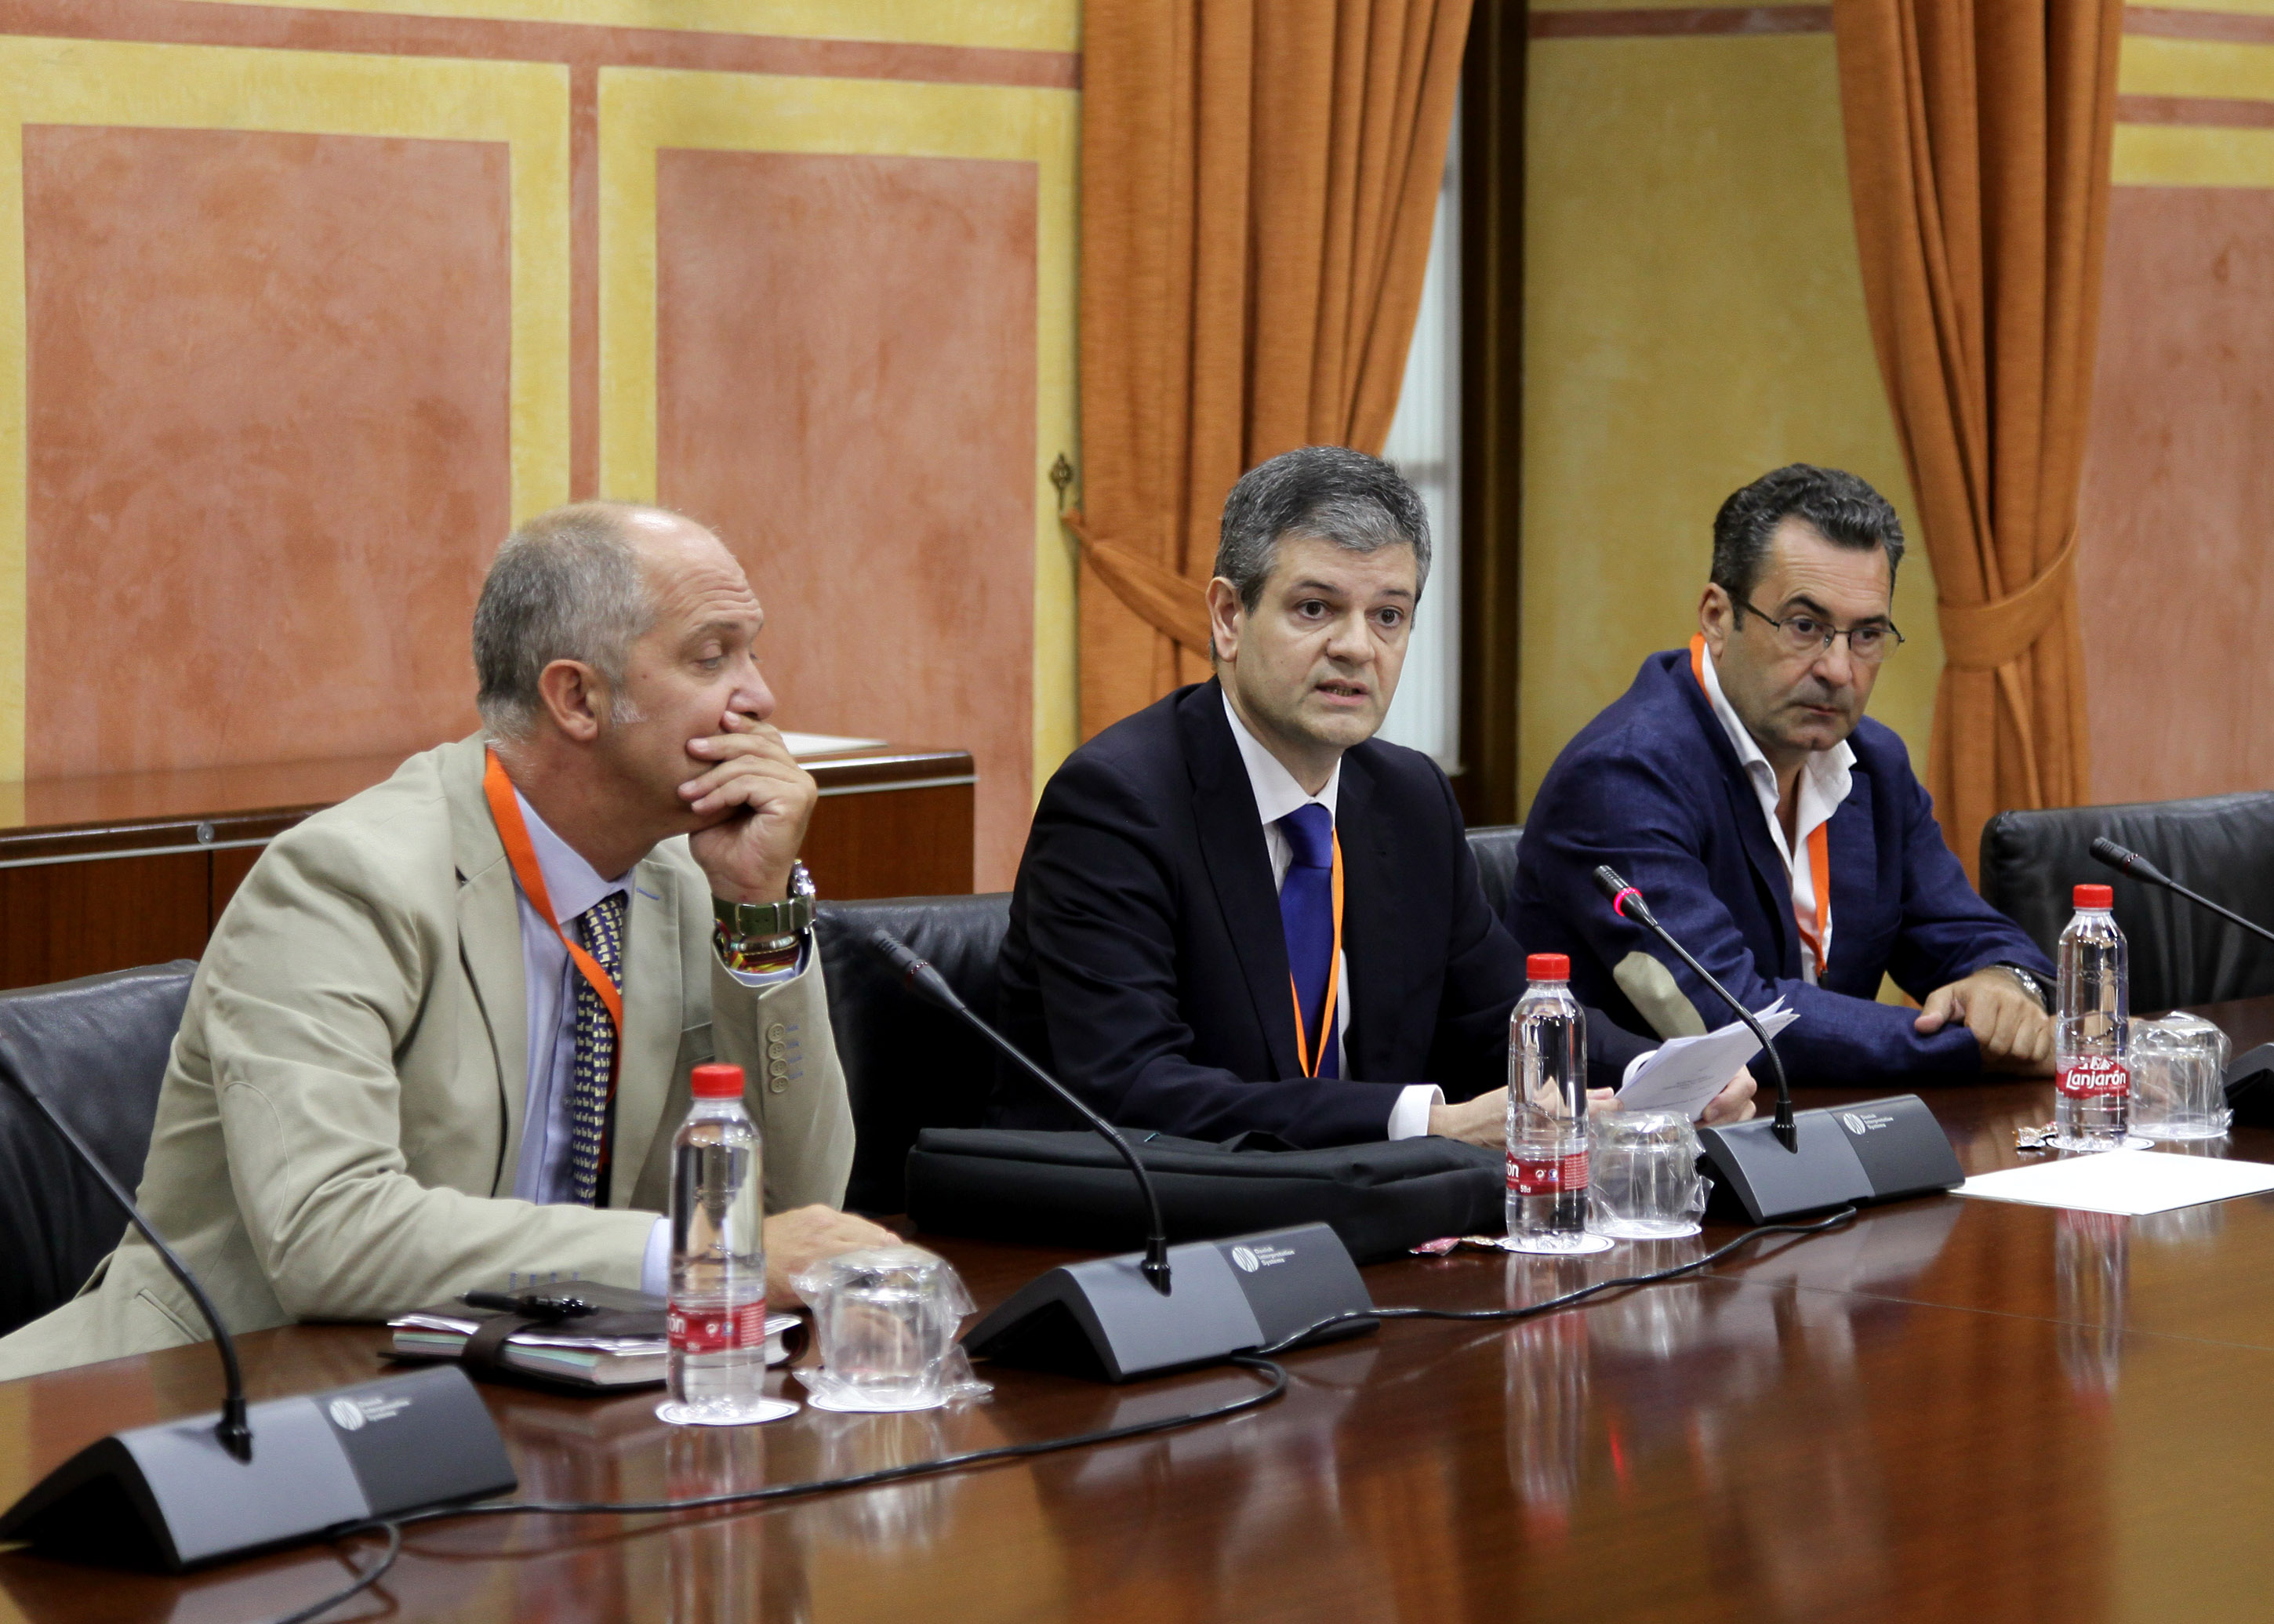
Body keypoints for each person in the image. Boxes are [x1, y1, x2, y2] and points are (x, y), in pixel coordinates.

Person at [0, 503, 892, 1379]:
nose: (761, 698)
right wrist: (697, 1254)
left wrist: (758, 916)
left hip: (515, 1394)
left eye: (752, 650)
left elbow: (802, 1208)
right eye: (711, 656)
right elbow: (329, 1233)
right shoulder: (342, 881)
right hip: (188, 1404)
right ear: (576, 696)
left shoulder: (695, 880)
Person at [992, 446, 1753, 1149]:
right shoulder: (1117, 803)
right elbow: (1136, 1088)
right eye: (1314, 608)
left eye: (1387, 615)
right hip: (1149, 1244)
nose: (1357, 647)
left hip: (1367, 1225)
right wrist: (1424, 1124)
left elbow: (1498, 1020)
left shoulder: (1406, 797)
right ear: (1228, 617)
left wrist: (1667, 1076)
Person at [1511, 464, 2058, 1088]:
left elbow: (1970, 936)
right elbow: (1736, 1020)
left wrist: (2002, 990)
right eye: (1805, 627)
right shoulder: (1623, 776)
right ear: (1718, 616)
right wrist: (1970, 1048)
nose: (1838, 668)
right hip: (1636, 1159)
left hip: (1822, 1139)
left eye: (1867, 635)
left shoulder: (1874, 764)